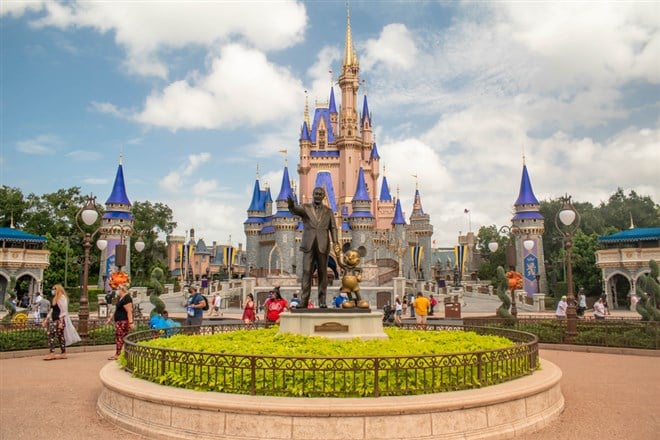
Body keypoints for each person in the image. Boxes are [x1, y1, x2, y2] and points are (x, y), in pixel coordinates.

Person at [287, 187, 340, 308]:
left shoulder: (329, 211)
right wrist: (291, 206)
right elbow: (295, 210)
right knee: (306, 271)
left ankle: (322, 301)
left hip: (323, 245)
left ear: (323, 196)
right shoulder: (306, 208)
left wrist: (336, 242)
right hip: (308, 245)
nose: (317, 195)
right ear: (313, 194)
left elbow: (333, 227)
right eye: (316, 193)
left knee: (323, 273)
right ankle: (304, 301)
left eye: (320, 194)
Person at [42, 284, 69, 360]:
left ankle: (53, 353)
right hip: (54, 319)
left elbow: (64, 310)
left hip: (59, 320)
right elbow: (51, 310)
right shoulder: (55, 299)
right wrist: (46, 320)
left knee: (52, 334)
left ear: (58, 290)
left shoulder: (62, 298)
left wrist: (61, 322)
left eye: (54, 289)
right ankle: (62, 353)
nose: (53, 290)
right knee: (59, 336)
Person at [106, 284, 134, 360]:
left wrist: (131, 322)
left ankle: (118, 354)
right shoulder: (121, 298)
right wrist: (110, 318)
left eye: (118, 289)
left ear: (122, 289)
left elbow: (129, 311)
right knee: (121, 337)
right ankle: (125, 353)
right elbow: (116, 309)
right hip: (119, 321)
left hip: (123, 321)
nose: (116, 291)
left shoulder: (127, 298)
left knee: (120, 337)